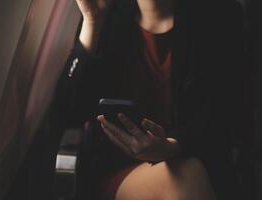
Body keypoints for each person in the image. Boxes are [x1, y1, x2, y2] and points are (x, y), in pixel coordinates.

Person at [50, 0, 248, 199]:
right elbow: (68, 112)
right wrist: (92, 22)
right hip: (119, 170)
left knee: (188, 173)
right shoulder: (108, 15)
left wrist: (171, 147)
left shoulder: (219, 13)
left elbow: (224, 116)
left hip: (197, 161)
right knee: (185, 178)